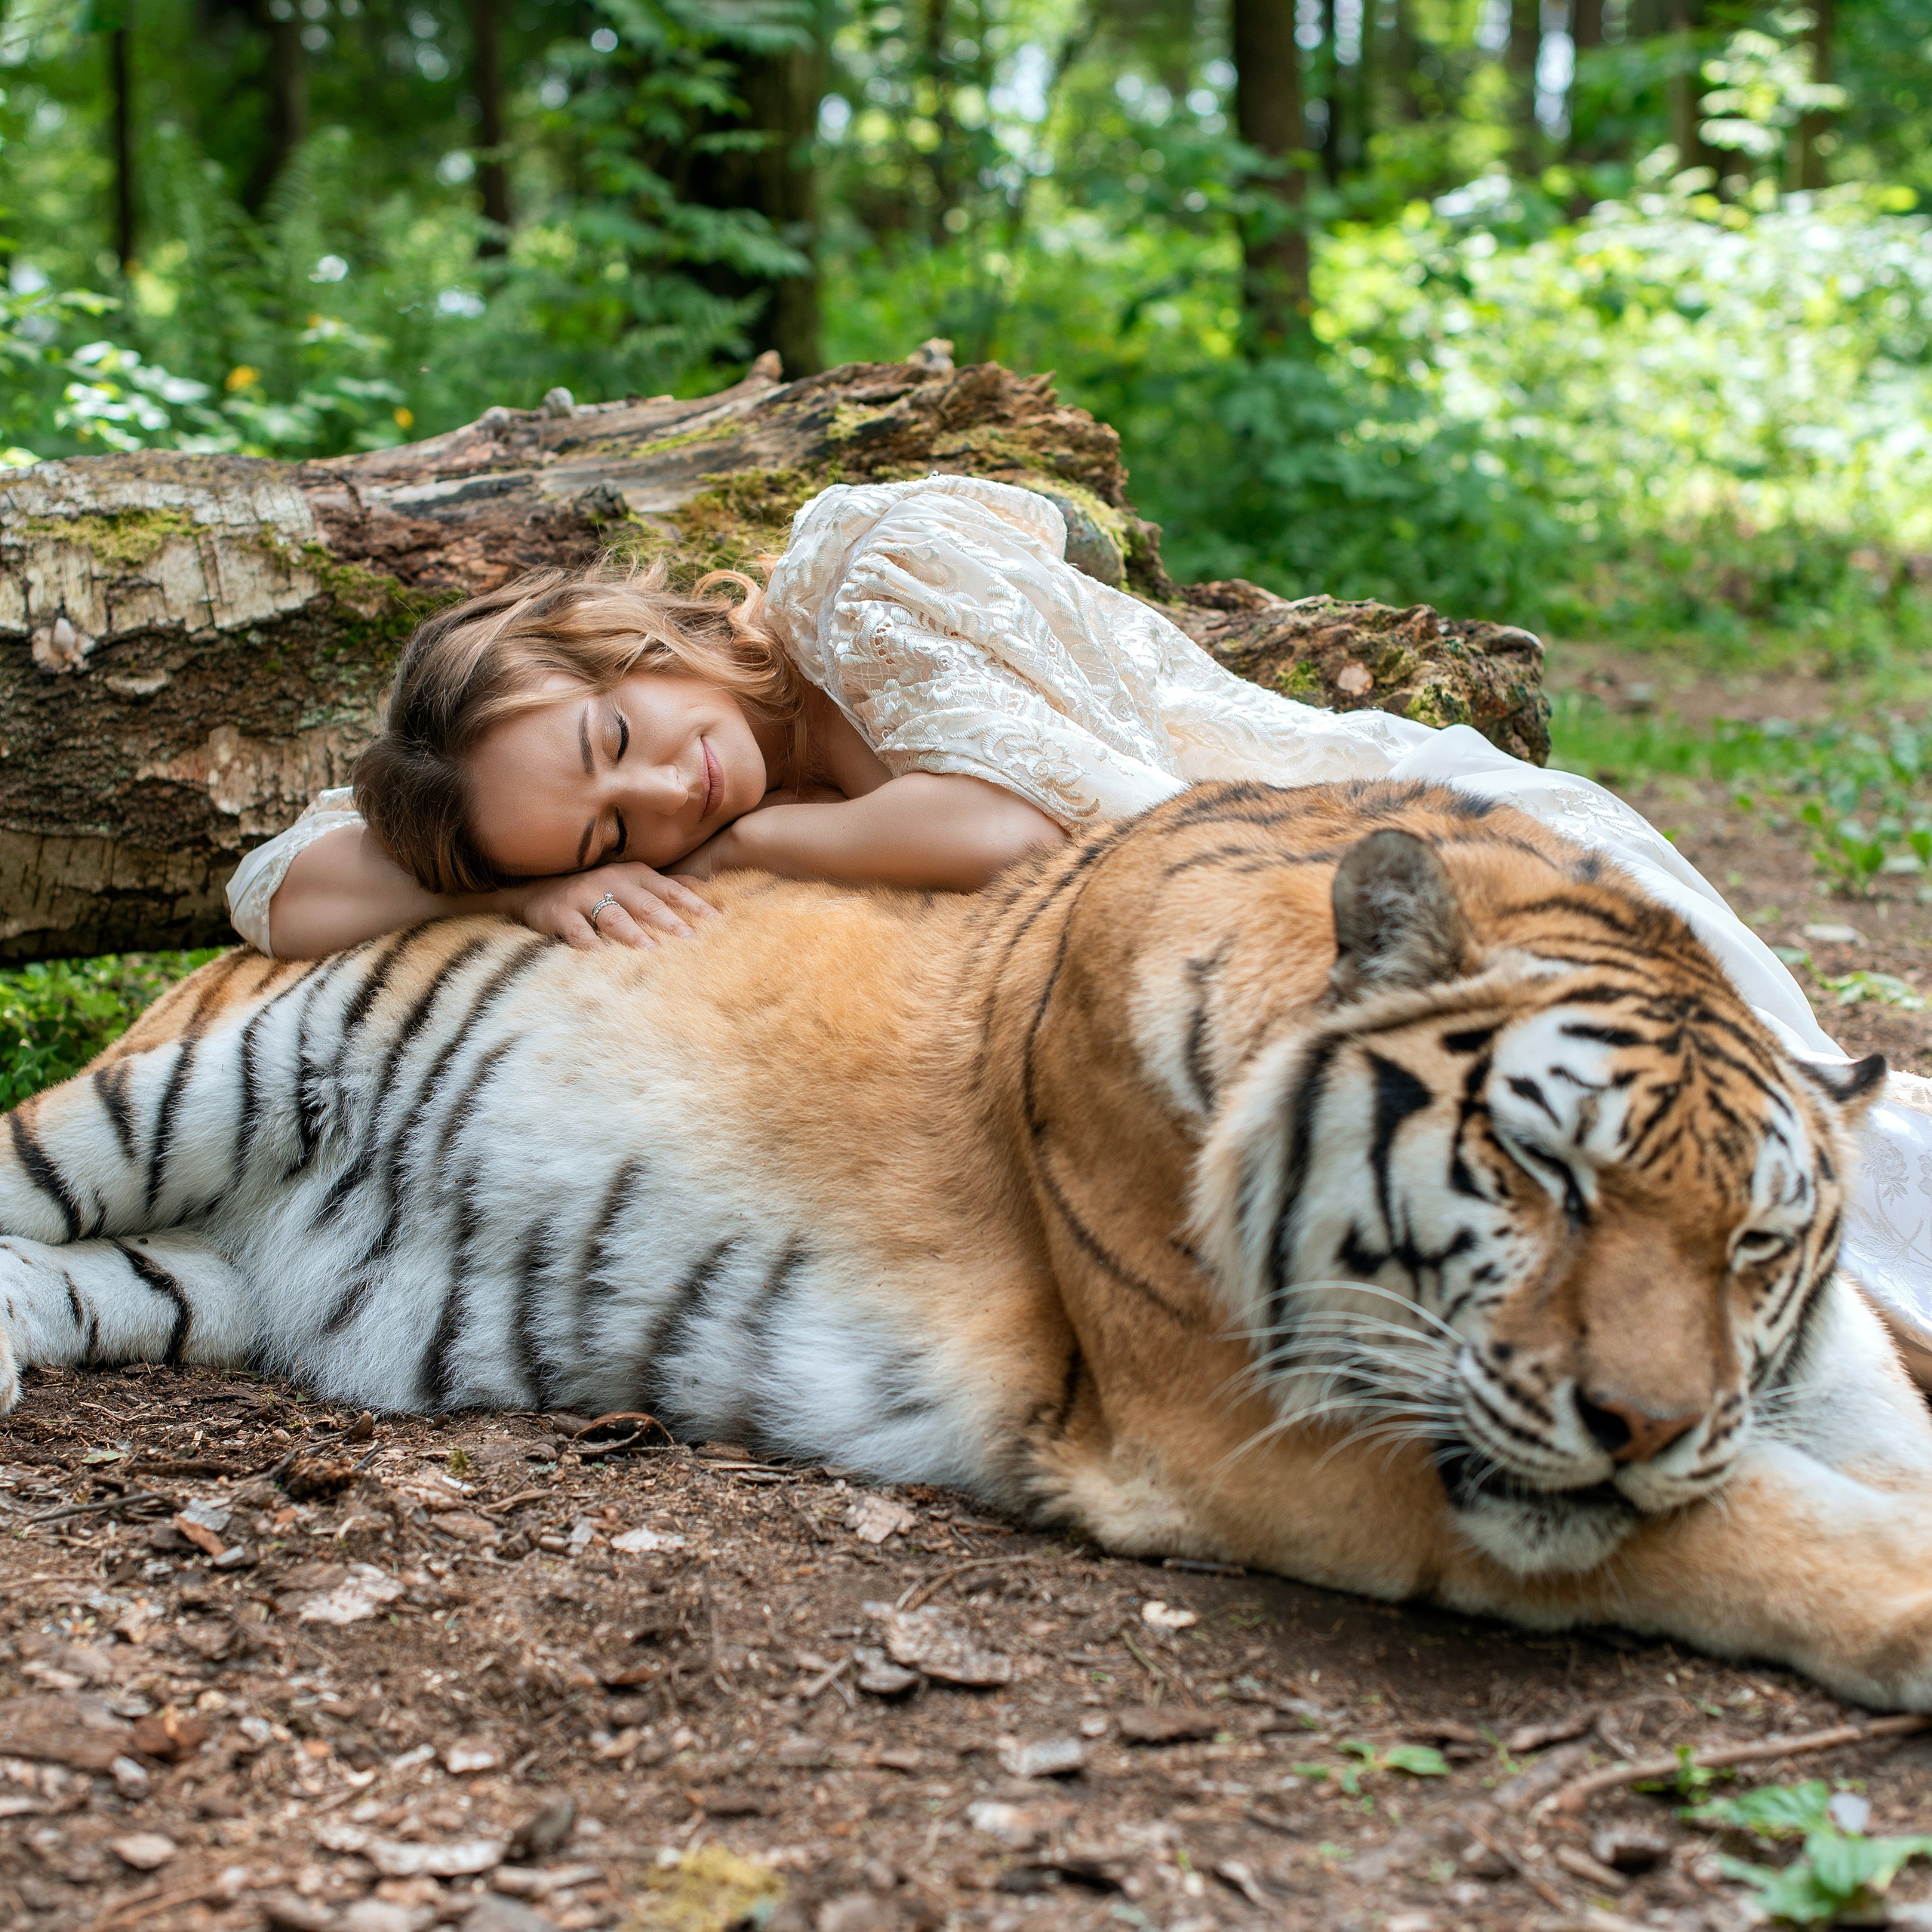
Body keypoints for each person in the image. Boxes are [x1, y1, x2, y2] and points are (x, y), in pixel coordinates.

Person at [229, 473, 1932, 1374]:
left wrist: (750, 838)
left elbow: (1015, 827)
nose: (664, 797)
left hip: (1408, 844)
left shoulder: (858, 578)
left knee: (1733, 1133)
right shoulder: (684, 785)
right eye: (615, 828)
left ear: (625, 639)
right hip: (1256, 969)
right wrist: (527, 879)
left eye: (619, 738)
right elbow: (282, 886)